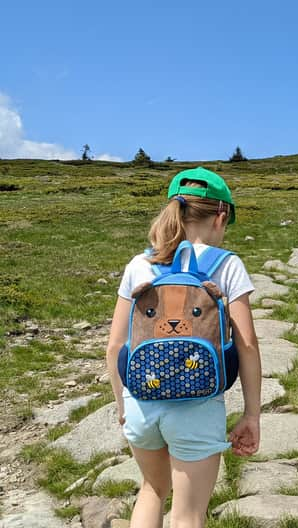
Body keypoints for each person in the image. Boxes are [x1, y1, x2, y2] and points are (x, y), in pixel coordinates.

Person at [105, 167, 261, 528]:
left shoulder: (139, 265)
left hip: (143, 401)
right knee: (189, 515)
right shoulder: (227, 265)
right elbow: (248, 344)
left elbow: (115, 345)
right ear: (221, 216)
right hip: (198, 406)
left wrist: (122, 404)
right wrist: (252, 414)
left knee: (152, 491)